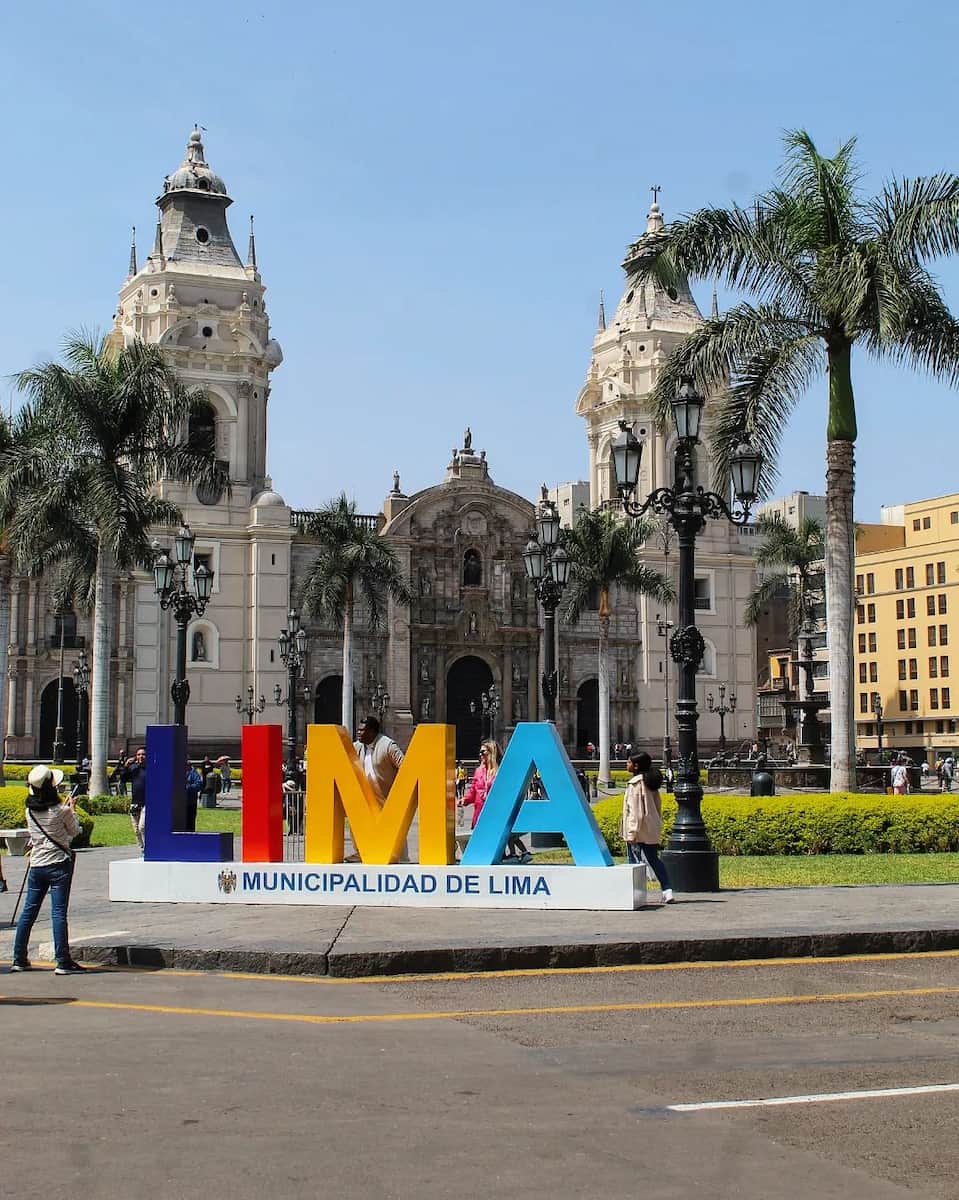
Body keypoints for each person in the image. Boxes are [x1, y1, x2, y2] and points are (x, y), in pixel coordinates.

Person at [11, 765, 85, 974]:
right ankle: (63, 961)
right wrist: (73, 811)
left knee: (28, 912)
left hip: (37, 865)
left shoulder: (29, 811)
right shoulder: (61, 811)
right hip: (58, 864)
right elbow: (74, 831)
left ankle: (19, 958)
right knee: (58, 913)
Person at [622, 752, 674, 904]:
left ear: (636, 766)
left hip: (638, 829)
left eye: (629, 762)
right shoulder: (651, 782)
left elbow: (635, 812)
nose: (627, 764)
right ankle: (667, 890)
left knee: (633, 861)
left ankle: (634, 893)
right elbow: (657, 806)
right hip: (651, 827)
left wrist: (631, 832)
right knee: (653, 859)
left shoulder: (635, 784)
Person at [354, 715, 406, 861]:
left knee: (394, 833)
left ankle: (401, 859)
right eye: (358, 730)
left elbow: (405, 767)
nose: (358, 732)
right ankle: (362, 852)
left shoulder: (388, 746)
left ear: (372, 732)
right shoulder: (357, 747)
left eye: (362, 730)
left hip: (387, 798)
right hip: (367, 800)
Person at [122, 747, 147, 848]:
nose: (141, 756)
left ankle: (148, 847)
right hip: (135, 802)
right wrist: (126, 766)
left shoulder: (151, 768)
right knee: (136, 829)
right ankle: (142, 847)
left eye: (143, 754)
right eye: (138, 754)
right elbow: (123, 779)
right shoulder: (133, 768)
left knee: (142, 827)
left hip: (147, 803)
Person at [185, 763, 203, 832]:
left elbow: (198, 785)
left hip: (190, 803)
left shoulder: (194, 773)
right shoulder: (178, 772)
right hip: (179, 804)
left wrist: (188, 787)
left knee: (190, 823)